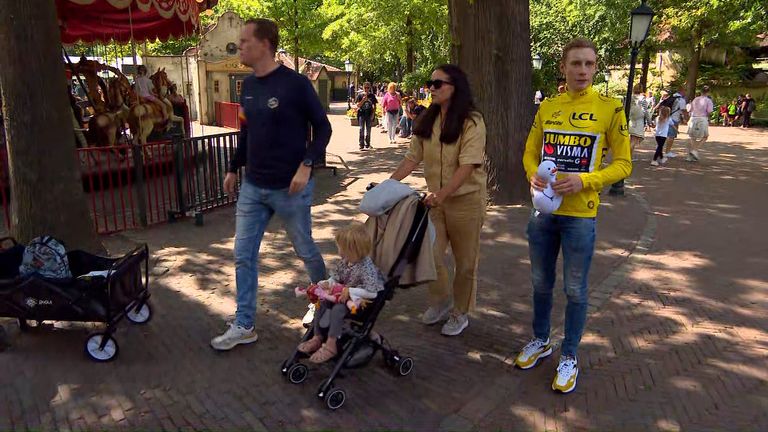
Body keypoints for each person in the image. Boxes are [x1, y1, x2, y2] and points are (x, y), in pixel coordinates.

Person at [514, 38, 632, 394]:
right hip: (544, 212)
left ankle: (569, 355)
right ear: (563, 67)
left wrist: (585, 180)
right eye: (576, 64)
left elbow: (624, 164)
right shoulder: (548, 107)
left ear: (595, 68)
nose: (582, 70)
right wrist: (532, 173)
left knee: (575, 289)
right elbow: (529, 152)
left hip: (581, 215)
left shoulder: (610, 109)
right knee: (540, 283)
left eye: (589, 64)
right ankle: (541, 340)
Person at [211, 18, 331, 351]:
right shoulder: (247, 86)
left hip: (290, 189)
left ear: (264, 44)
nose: (240, 47)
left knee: (305, 250)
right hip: (253, 187)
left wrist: (307, 165)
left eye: (245, 41)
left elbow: (323, 129)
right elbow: (246, 131)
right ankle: (244, 324)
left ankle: (325, 303)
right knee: (242, 255)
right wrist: (234, 168)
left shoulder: (296, 85)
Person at [390, 64, 487, 337]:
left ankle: (461, 312)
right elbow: (411, 158)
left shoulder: (472, 122)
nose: (430, 88)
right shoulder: (427, 120)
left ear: (455, 87)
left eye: (437, 84)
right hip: (435, 202)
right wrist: (387, 185)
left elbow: (467, 165)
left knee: (465, 263)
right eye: (429, 83)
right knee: (429, 255)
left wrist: (442, 194)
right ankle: (442, 300)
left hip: (466, 202)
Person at [295, 222, 385, 363]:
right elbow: (336, 277)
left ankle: (331, 345)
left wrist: (349, 290)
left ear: (354, 250)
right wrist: (328, 283)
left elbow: (372, 292)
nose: (340, 252)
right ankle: (317, 337)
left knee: (337, 310)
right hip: (340, 297)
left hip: (359, 303)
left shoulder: (367, 268)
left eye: (342, 249)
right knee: (321, 303)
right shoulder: (345, 261)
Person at [686, 86, 714, 161]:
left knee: (692, 136)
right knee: (705, 136)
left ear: (701, 92)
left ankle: (690, 155)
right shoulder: (708, 100)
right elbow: (709, 111)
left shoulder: (695, 99)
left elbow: (690, 109)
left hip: (693, 118)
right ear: (708, 92)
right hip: (702, 118)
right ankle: (695, 150)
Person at [662, 88, 687, 158]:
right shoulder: (681, 100)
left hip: (666, 118)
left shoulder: (671, 97)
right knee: (671, 136)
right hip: (674, 119)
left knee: (666, 135)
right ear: (682, 91)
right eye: (685, 91)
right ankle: (667, 151)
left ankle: (665, 150)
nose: (685, 93)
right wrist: (686, 118)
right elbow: (683, 110)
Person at [355, 82, 377, 150]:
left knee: (368, 130)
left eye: (368, 88)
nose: (366, 89)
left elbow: (374, 106)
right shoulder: (360, 95)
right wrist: (363, 100)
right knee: (361, 129)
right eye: (365, 88)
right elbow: (358, 105)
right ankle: (361, 144)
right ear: (363, 88)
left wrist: (373, 114)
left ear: (370, 88)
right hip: (362, 114)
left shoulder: (372, 96)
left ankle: (368, 144)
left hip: (369, 114)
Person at [628, 84, 646, 160]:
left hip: (631, 119)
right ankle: (628, 157)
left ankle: (629, 156)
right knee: (633, 141)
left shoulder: (630, 97)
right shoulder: (643, 99)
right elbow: (645, 111)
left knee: (631, 139)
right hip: (639, 120)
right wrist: (649, 121)